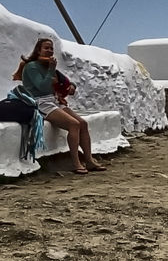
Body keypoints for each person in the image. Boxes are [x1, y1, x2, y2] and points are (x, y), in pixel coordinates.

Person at [11, 37, 103, 173]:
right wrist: (51, 70)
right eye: (46, 48)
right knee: (74, 124)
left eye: (51, 48)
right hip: (40, 102)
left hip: (53, 100)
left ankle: (89, 160)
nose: (49, 51)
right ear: (38, 50)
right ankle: (76, 163)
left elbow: (62, 81)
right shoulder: (31, 67)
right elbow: (42, 86)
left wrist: (70, 86)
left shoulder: (48, 65)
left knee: (83, 123)